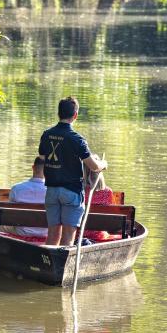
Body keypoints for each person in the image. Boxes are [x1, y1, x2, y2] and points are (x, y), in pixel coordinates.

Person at [38, 96, 107, 246]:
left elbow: (42, 157)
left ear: (59, 114)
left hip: (51, 190)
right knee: (68, 239)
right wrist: (103, 164)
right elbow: (93, 166)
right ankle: (63, 268)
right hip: (71, 192)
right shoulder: (77, 139)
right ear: (75, 115)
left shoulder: (46, 135)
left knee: (52, 236)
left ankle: (50, 267)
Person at [8, 156, 47, 239]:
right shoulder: (52, 191)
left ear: (33, 167)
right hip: (46, 233)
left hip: (21, 232)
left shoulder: (16, 188)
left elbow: (9, 214)